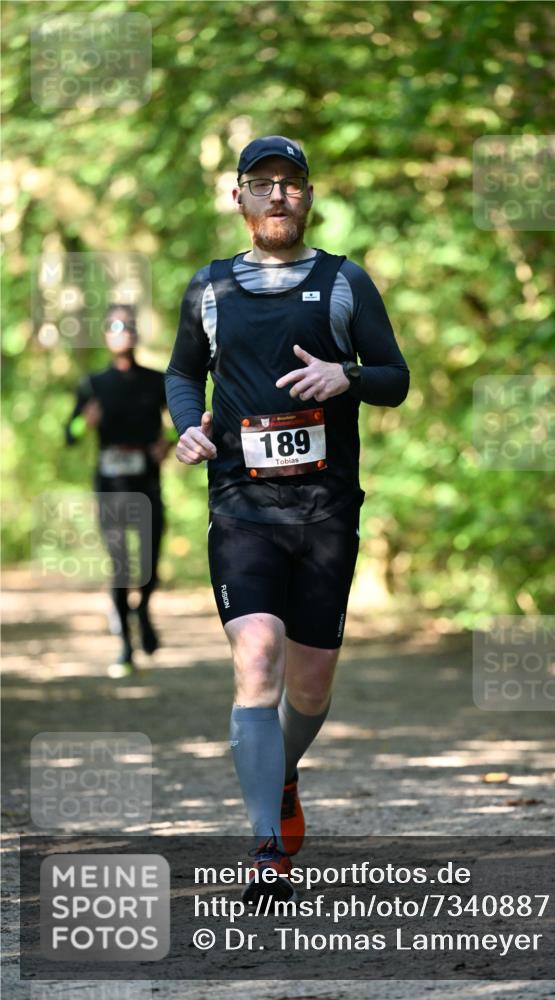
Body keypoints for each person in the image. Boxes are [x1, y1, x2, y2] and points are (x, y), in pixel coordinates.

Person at [166, 135, 409, 903]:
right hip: (241, 507)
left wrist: (349, 375)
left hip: (327, 510)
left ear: (307, 197)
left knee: (307, 688)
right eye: (261, 183)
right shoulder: (208, 288)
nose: (277, 195)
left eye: (290, 183)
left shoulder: (344, 283)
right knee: (257, 658)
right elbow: (181, 374)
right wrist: (189, 426)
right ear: (236, 197)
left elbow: (395, 379)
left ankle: (285, 773)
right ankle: (267, 845)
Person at [65, 303, 173, 676]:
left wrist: (168, 444)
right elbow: (70, 436)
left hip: (147, 480)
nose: (122, 331)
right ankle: (125, 645)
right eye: (114, 326)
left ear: (136, 334)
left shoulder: (156, 380)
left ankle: (141, 612)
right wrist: (84, 421)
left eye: (128, 325)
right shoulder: (93, 384)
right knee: (120, 564)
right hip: (110, 483)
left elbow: (179, 422)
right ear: (106, 336)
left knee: (149, 562)